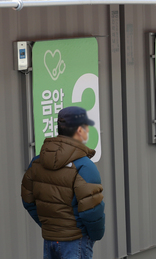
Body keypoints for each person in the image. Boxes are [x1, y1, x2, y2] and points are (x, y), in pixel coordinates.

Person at [21, 106, 105, 259]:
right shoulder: (84, 166)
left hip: (50, 240)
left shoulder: (37, 162)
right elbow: (92, 211)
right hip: (76, 241)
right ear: (79, 130)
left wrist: (50, 226)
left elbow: (28, 199)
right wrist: (95, 235)